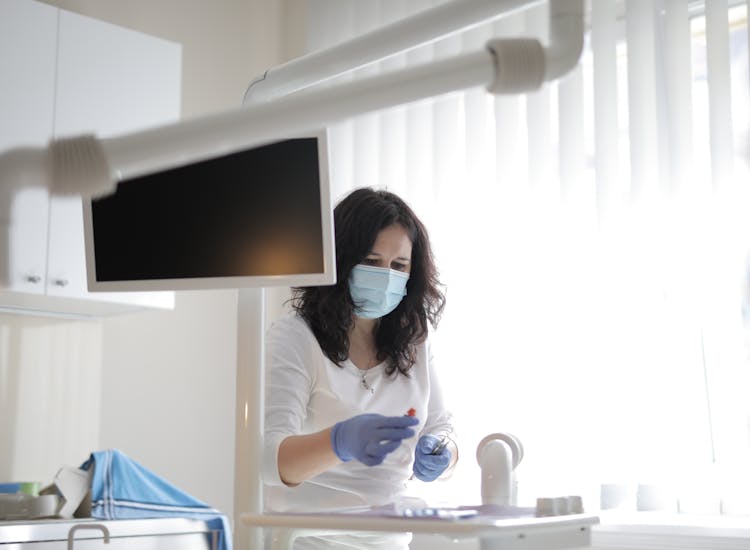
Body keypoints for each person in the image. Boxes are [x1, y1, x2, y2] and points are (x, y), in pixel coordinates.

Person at [262, 187, 457, 549]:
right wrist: (340, 442)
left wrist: (442, 453)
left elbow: (441, 428)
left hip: (390, 541)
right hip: (307, 541)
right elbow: (269, 461)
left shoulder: (413, 341)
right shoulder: (295, 336)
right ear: (339, 261)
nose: (385, 276)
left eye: (398, 266)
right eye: (370, 261)